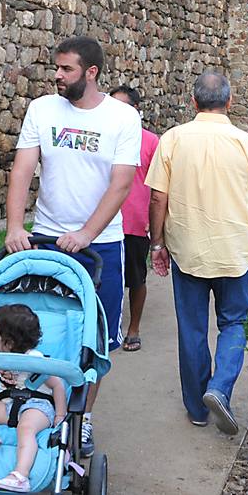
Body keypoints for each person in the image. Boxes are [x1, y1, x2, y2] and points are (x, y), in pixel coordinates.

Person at [5, 36, 141, 457]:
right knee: (43, 326)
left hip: (101, 245)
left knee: (94, 338)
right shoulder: (42, 110)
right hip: (46, 236)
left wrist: (86, 233)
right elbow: (24, 167)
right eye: (57, 68)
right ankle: (38, 405)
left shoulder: (122, 117)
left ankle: (82, 417)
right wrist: (14, 225)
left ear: (92, 72)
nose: (57, 76)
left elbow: (121, 183)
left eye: (66, 70)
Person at [146, 71, 248, 434]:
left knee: (191, 328)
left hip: (187, 250)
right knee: (235, 323)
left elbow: (158, 196)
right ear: (230, 102)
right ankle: (220, 388)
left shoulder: (172, 140)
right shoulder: (246, 143)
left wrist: (156, 243)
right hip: (235, 251)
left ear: (193, 102)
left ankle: (197, 408)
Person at [0, 304, 68, 493]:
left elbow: (57, 385)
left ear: (9, 343)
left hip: (37, 406)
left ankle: (21, 475)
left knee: (26, 428)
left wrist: (60, 415)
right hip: (8, 405)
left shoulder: (34, 360)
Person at [109, 85, 159, 352]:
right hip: (102, 222)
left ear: (135, 111)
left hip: (135, 222)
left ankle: (133, 328)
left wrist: (157, 223)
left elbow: (160, 187)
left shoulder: (150, 142)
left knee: (136, 278)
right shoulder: (102, 135)